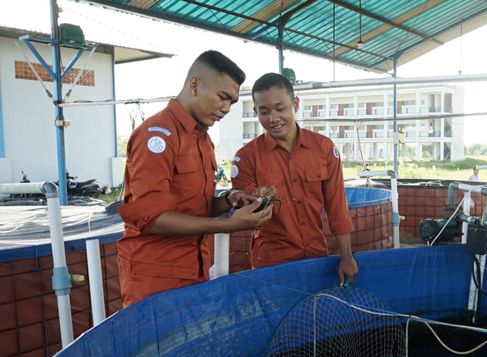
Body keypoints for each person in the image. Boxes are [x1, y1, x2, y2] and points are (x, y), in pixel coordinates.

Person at [117, 51, 272, 307]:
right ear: (194, 84)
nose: (226, 108)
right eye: (222, 97)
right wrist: (227, 226)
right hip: (155, 277)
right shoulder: (157, 137)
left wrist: (229, 201)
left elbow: (191, 208)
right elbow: (153, 219)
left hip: (194, 269)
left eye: (232, 102)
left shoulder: (202, 140)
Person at [230, 73, 358, 285]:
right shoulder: (245, 158)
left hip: (316, 256)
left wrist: (346, 256)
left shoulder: (324, 148)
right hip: (271, 263)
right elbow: (246, 211)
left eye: (280, 108)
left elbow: (337, 208)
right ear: (255, 111)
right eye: (264, 111)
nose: (273, 118)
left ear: (295, 104)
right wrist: (255, 200)